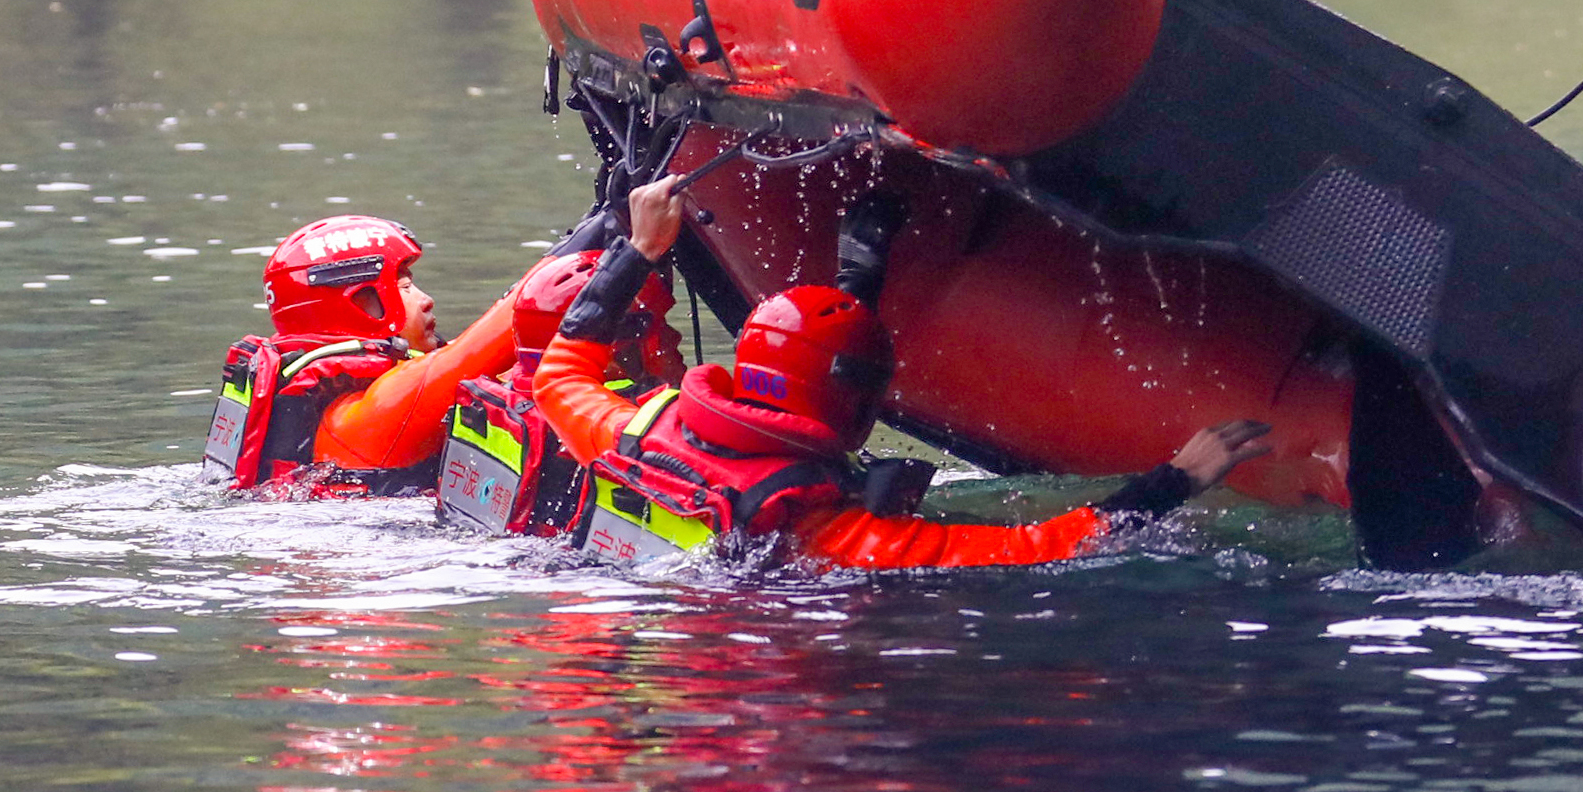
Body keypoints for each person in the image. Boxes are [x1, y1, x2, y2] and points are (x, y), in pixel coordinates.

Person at [533, 176, 1278, 569]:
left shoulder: (637, 430)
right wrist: (1177, 478)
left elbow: (559, 370)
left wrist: (641, 247)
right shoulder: (824, 535)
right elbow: (1053, 545)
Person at [206, 215, 519, 492]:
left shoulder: (323, 392)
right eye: (406, 287)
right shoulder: (369, 412)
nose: (426, 300)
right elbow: (492, 340)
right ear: (358, 303)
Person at [436, 246, 685, 535]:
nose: (675, 336)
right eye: (661, 325)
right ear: (614, 348)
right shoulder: (630, 423)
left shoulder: (506, 396)